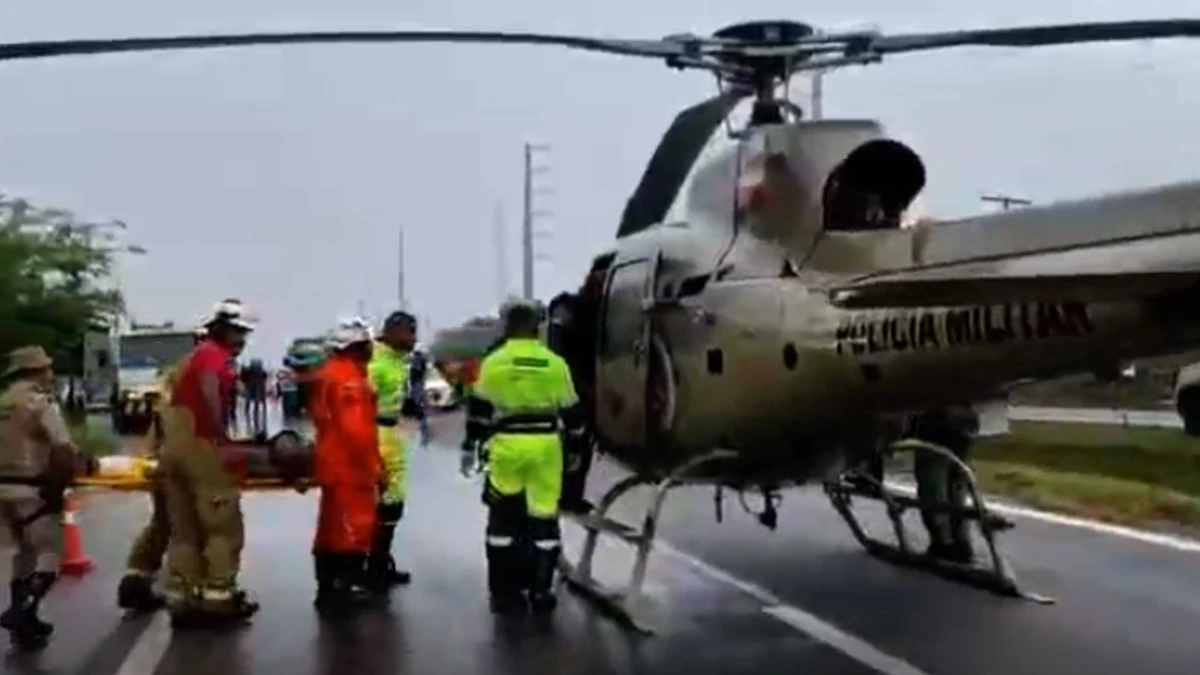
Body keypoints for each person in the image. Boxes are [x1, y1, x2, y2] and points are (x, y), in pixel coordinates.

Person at [464, 300, 589, 616]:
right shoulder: (554, 363)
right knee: (544, 517)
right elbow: (573, 413)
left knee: (502, 519)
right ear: (537, 328)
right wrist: (575, 449)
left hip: (507, 445)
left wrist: (470, 445)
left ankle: (503, 592)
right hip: (545, 446)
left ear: (507, 327)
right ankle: (541, 590)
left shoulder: (494, 362)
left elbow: (479, 411)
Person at [160, 299, 260, 626]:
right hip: (200, 447)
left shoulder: (194, 357)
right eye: (238, 332)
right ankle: (219, 596)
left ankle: (184, 597)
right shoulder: (212, 357)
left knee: (185, 528)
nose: (242, 339)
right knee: (221, 526)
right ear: (223, 330)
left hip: (174, 449)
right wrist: (222, 440)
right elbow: (210, 394)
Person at [116, 326, 206, 612]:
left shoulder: (170, 380)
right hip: (181, 464)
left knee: (162, 522)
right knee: (187, 527)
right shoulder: (195, 378)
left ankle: (137, 576)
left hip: (161, 461)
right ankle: (185, 591)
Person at [0, 346, 79, 650]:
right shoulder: (39, 402)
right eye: (47, 367)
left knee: (24, 552)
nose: (50, 372)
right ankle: (22, 612)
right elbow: (62, 447)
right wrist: (59, 488)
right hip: (32, 487)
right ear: (36, 371)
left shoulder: (3, 401)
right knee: (49, 554)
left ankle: (24, 619)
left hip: (3, 487)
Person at [311, 318, 384, 610]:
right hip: (349, 466)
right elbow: (355, 429)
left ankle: (329, 586)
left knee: (331, 527)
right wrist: (374, 465)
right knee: (352, 527)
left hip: (333, 461)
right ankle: (343, 585)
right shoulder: (348, 379)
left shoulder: (331, 373)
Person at [364, 311, 417, 591]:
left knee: (392, 503)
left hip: (390, 432)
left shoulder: (397, 361)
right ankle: (373, 568)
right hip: (375, 434)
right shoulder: (376, 363)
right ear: (393, 332)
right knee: (382, 503)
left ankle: (380, 562)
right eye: (410, 332)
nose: (414, 339)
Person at [908, 405, 980, 564]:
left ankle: (942, 542)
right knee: (956, 487)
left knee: (933, 487)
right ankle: (960, 541)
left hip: (935, 426)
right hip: (962, 426)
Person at [407, 346, 431, 447]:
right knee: (418, 409)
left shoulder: (417, 359)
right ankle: (424, 434)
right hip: (417, 385)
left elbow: (415, 371)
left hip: (416, 386)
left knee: (417, 409)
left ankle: (424, 435)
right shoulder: (421, 359)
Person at [240, 359, 268, 439]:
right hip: (257, 385)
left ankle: (248, 412)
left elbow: (243, 377)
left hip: (252, 385)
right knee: (258, 401)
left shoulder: (249, 371)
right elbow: (265, 376)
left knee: (250, 400)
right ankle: (254, 413)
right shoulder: (260, 372)